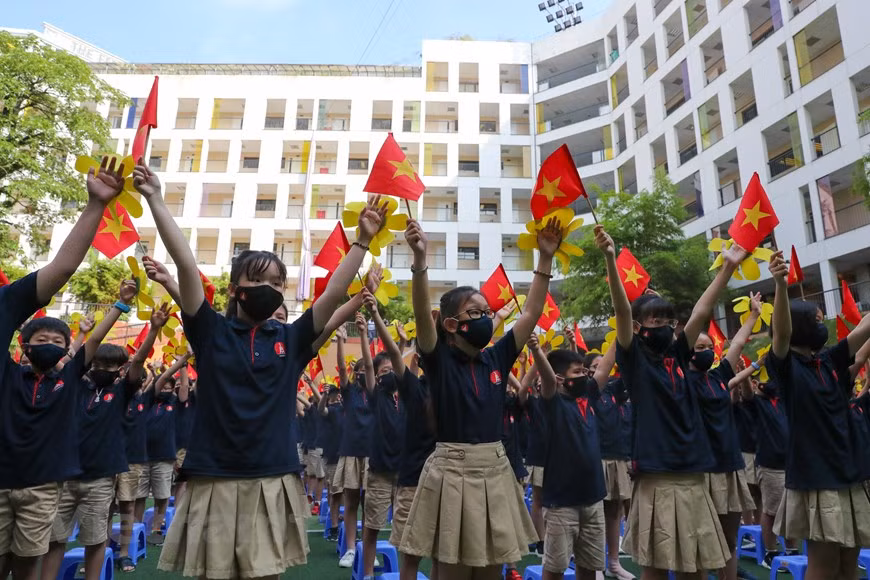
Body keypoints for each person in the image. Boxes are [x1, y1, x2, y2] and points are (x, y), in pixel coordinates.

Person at [134, 158, 387, 579]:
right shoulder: (210, 331)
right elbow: (184, 260)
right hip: (212, 476)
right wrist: (157, 199)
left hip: (272, 476)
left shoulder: (292, 340)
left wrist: (361, 240)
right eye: (260, 281)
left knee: (265, 575)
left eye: (278, 283)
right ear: (234, 289)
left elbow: (335, 295)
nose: (270, 290)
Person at [399, 216, 561, 578]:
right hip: (450, 471)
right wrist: (420, 260)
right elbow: (422, 317)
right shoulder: (437, 358)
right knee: (452, 568)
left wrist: (545, 258)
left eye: (487, 312)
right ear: (452, 325)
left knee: (491, 567)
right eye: (476, 313)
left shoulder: (497, 357)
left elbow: (531, 311)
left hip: (495, 468)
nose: (486, 318)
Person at [0, 156, 126, 580]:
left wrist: (96, 205)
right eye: (43, 341)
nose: (50, 347)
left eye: (58, 341)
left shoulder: (9, 308)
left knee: (26, 562)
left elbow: (63, 268)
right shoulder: (12, 376)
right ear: (24, 344)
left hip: (39, 483)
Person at [596, 223, 740, 578]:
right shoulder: (634, 359)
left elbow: (702, 313)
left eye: (667, 319)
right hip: (656, 477)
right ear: (639, 327)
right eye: (653, 319)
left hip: (693, 475)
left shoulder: (679, 355)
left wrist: (728, 268)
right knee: (657, 569)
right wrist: (611, 260)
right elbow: (621, 310)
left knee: (696, 568)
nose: (662, 324)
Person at [767, 251, 870, 578]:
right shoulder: (785, 367)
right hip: (816, 477)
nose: (822, 324)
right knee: (824, 567)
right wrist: (781, 286)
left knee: (848, 565)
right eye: (815, 319)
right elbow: (779, 335)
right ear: (799, 327)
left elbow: (864, 333)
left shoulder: (827, 361)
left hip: (848, 472)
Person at [688, 294, 760, 580]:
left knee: (728, 542)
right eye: (698, 347)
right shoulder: (680, 379)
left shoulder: (717, 377)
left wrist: (754, 316)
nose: (706, 351)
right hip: (700, 470)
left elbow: (738, 344)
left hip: (729, 465)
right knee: (701, 545)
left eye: (709, 347)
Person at [530, 333, 606, 580]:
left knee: (589, 566)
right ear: (561, 378)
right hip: (562, 504)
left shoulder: (588, 397)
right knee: (555, 568)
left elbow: (609, 362)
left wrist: (626, 324)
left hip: (593, 500)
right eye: (578, 373)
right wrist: (537, 351)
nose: (584, 376)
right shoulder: (553, 404)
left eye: (585, 371)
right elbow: (548, 380)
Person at [361, 293, 407, 580]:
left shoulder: (406, 397)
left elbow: (399, 363)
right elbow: (368, 365)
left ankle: (404, 575)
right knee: (373, 527)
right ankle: (367, 574)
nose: (389, 374)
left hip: (404, 474)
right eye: (384, 372)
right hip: (379, 472)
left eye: (392, 370)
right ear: (377, 378)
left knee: (404, 531)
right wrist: (367, 332)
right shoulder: (377, 395)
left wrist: (401, 343)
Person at [583, 346, 633, 580]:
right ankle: (596, 564)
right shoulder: (588, 393)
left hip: (618, 457)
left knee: (614, 512)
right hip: (597, 457)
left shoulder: (615, 390)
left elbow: (630, 373)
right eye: (596, 366)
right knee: (596, 513)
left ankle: (614, 562)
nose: (603, 369)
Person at [335, 313, 376, 569]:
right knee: (350, 502)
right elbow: (340, 368)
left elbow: (371, 366)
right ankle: (350, 549)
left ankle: (364, 546)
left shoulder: (376, 393)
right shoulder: (350, 394)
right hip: (351, 452)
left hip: (372, 454)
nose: (362, 373)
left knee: (369, 503)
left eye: (365, 370)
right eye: (358, 371)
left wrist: (363, 333)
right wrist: (340, 340)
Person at [144, 353, 191, 546]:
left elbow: (185, 388)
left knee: (163, 495)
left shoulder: (174, 402)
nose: (164, 389)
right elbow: (155, 383)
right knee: (136, 497)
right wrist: (155, 372)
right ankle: (137, 531)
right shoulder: (147, 401)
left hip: (165, 456)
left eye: (168, 388)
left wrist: (183, 365)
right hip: (141, 457)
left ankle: (157, 531)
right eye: (161, 386)